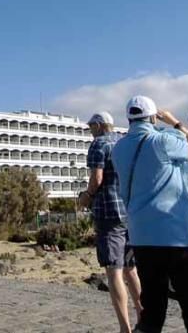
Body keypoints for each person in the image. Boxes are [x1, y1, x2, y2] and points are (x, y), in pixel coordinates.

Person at [111, 95, 188, 333]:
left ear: (129, 118)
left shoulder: (118, 148)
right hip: (175, 235)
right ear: (153, 117)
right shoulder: (162, 141)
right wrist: (175, 123)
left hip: (141, 236)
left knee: (152, 309)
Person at [78, 111, 142, 333]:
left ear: (98, 125)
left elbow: (97, 178)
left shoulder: (99, 144)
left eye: (90, 127)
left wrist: (86, 196)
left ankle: (125, 328)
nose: (90, 131)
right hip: (130, 212)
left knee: (114, 271)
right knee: (131, 269)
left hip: (108, 213)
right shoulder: (125, 143)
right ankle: (143, 317)